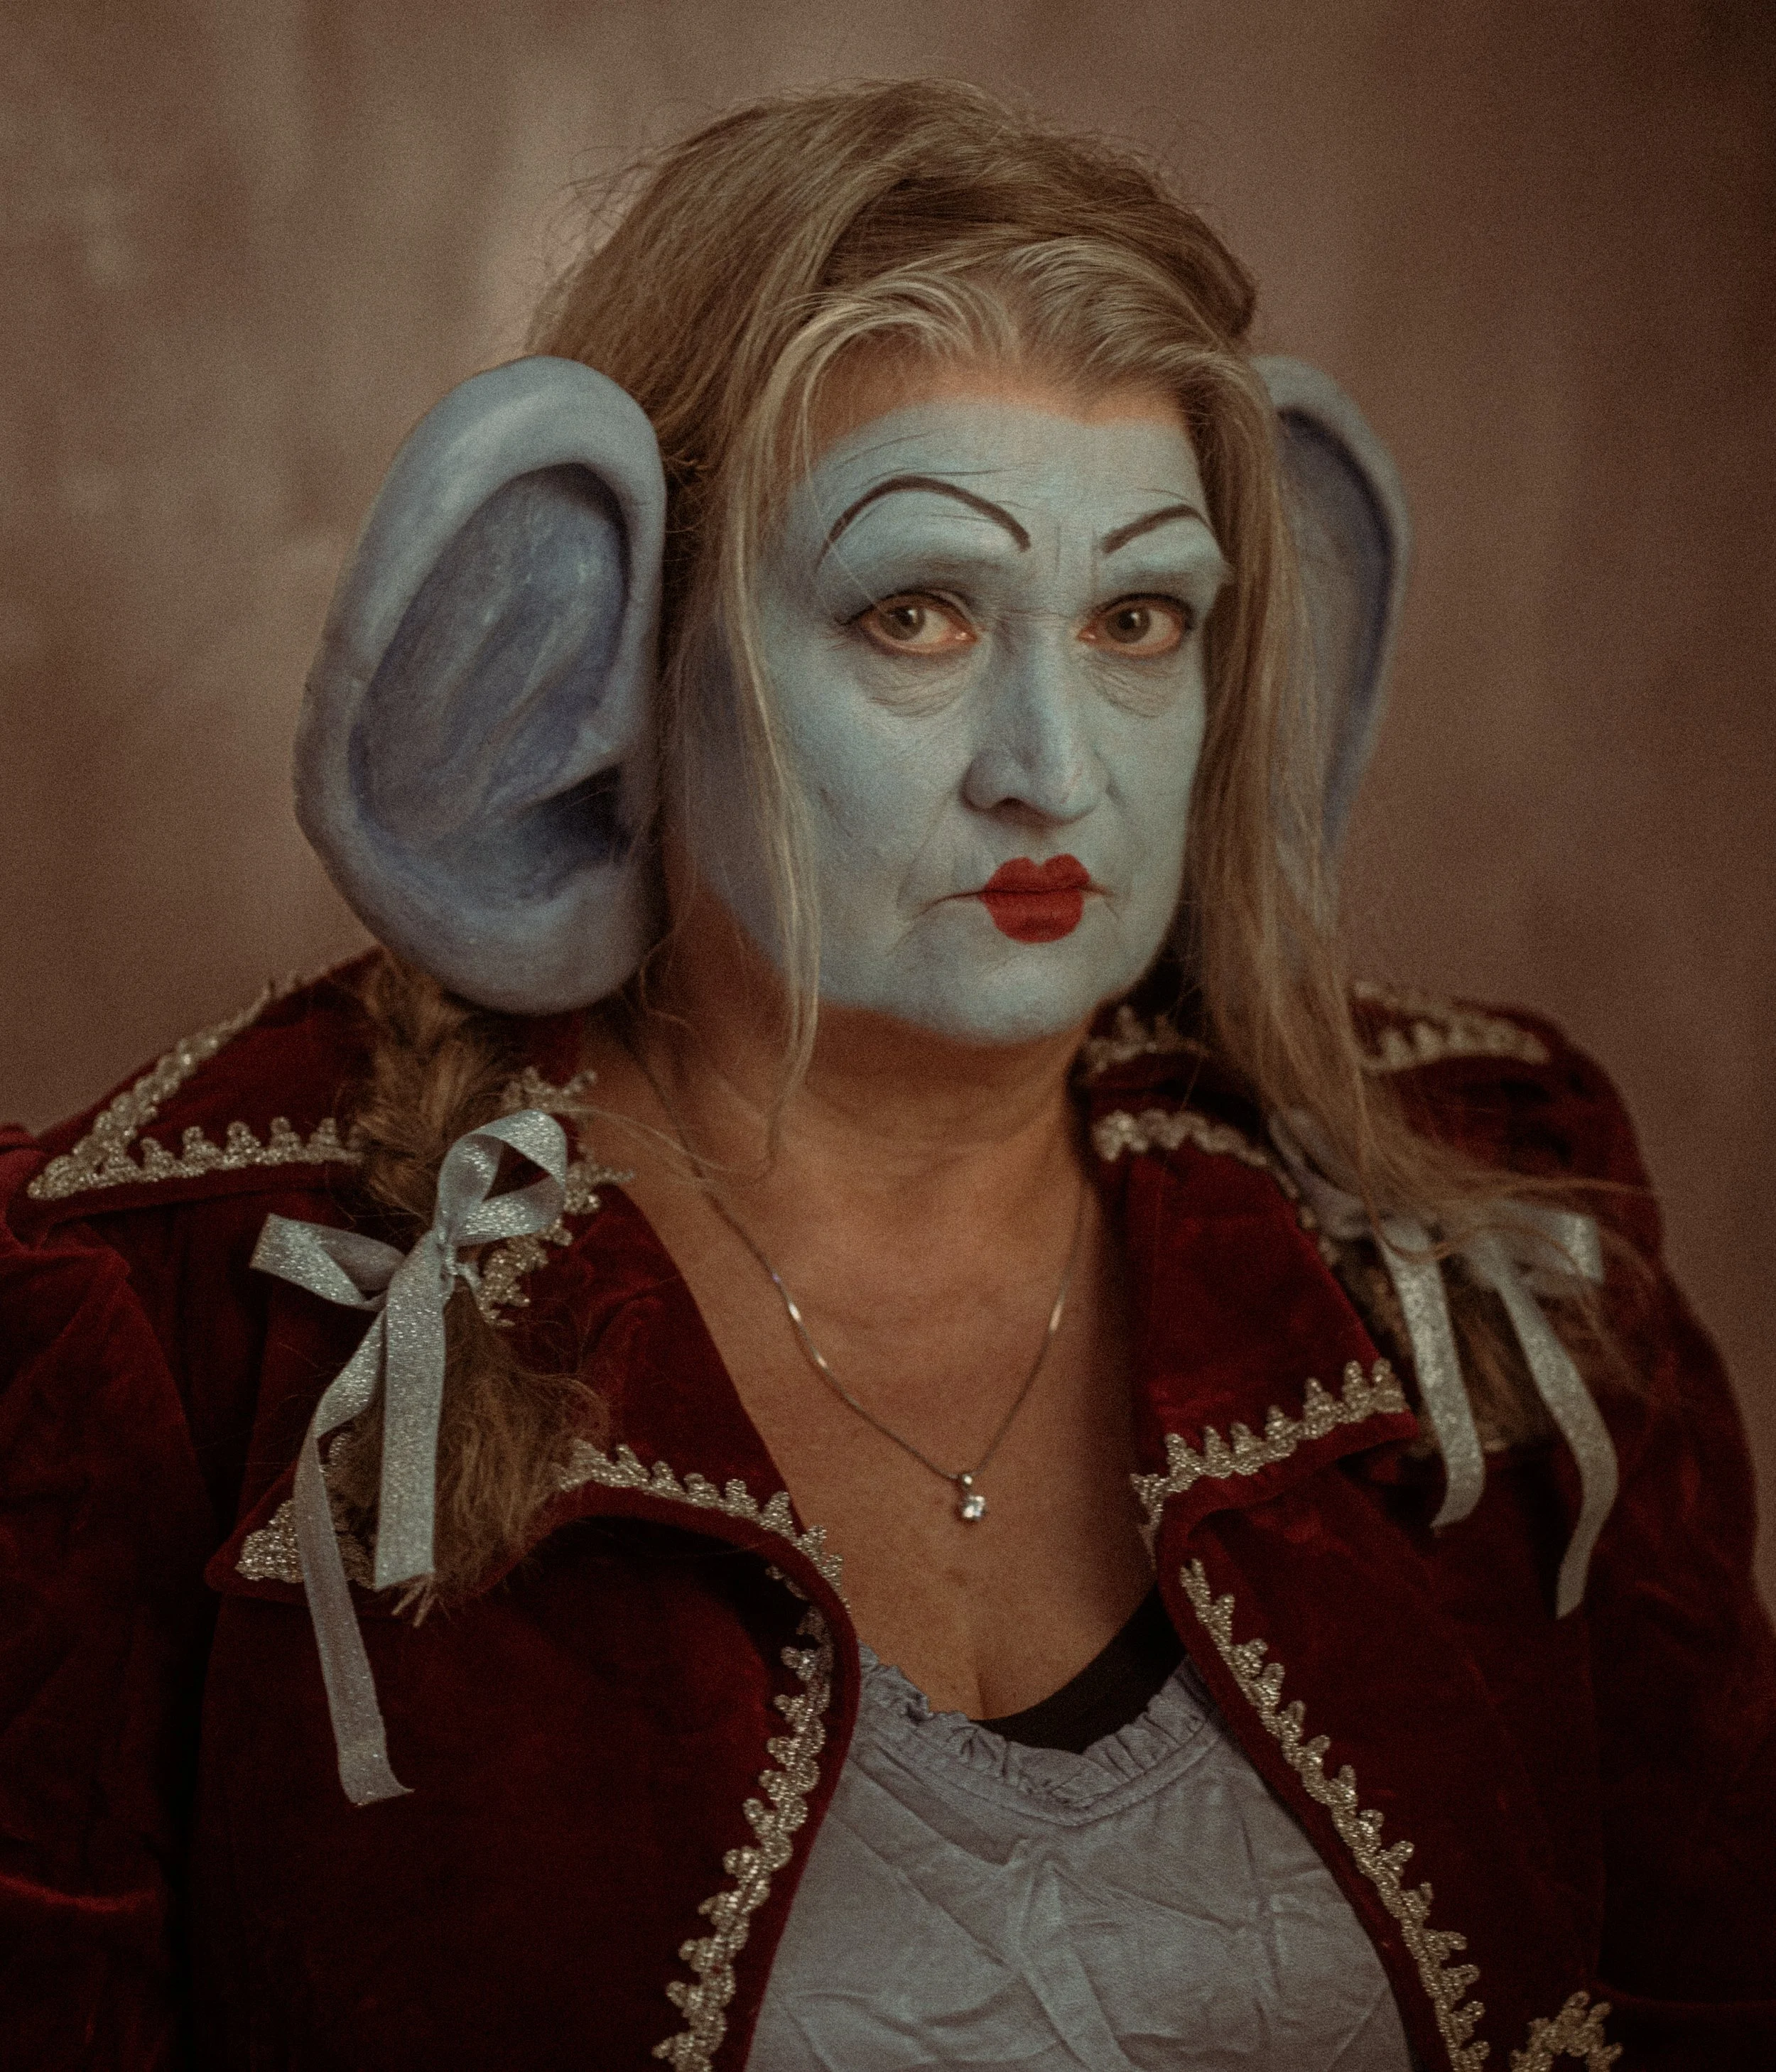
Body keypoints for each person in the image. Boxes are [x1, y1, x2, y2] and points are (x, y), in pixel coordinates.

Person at [2, 78, 1771, 2072]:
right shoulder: (165, 1310)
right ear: (602, 631)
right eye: (914, 613)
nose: (1054, 761)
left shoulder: (1500, 1228)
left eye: (1136, 617)